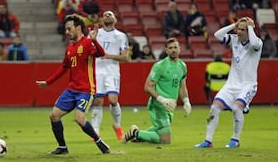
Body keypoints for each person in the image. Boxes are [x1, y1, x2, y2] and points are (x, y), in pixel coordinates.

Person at [36, 14, 110, 154]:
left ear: (78, 28)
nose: (67, 32)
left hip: (86, 90)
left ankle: (99, 141)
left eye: (69, 29)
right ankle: (62, 147)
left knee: (79, 118)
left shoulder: (88, 43)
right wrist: (48, 82)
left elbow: (101, 53)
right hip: (71, 89)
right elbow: (63, 68)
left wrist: (95, 41)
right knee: (54, 115)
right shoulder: (70, 48)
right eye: (66, 29)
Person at [194, 17, 263, 148]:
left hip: (248, 85)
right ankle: (208, 141)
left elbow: (253, 44)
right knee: (214, 108)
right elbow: (217, 35)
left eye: (243, 29)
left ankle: (235, 140)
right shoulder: (234, 39)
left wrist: (250, 27)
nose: (239, 32)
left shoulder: (258, 43)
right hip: (231, 85)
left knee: (236, 108)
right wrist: (234, 25)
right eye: (239, 29)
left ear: (250, 30)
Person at [122, 38, 192, 144]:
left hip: (170, 106)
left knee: (160, 130)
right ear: (166, 50)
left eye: (175, 47)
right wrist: (162, 100)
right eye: (170, 48)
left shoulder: (182, 66)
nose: (173, 50)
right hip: (158, 106)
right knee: (165, 140)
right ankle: (135, 133)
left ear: (180, 49)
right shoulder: (160, 66)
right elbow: (148, 87)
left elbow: (182, 86)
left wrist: (187, 102)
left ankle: (139, 136)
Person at [90, 11, 129, 140]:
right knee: (98, 101)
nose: (107, 16)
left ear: (115, 19)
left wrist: (108, 56)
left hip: (112, 71)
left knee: (113, 100)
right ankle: (95, 130)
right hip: (97, 71)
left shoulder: (121, 36)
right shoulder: (95, 34)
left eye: (110, 14)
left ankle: (117, 126)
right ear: (102, 19)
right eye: (105, 14)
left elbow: (125, 57)